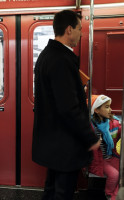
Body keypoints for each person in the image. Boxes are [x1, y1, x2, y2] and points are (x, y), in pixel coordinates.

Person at [32, 10, 101, 200]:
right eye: (80, 29)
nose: (81, 33)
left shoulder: (46, 55)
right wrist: (90, 137)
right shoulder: (61, 60)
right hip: (64, 143)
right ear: (69, 30)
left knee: (52, 190)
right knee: (62, 193)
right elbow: (68, 107)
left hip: (52, 140)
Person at [88, 95, 121, 200]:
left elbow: (119, 128)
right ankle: (109, 194)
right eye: (107, 107)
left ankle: (116, 194)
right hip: (99, 160)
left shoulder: (112, 123)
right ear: (96, 110)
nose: (110, 110)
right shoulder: (91, 127)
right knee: (115, 175)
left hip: (111, 155)